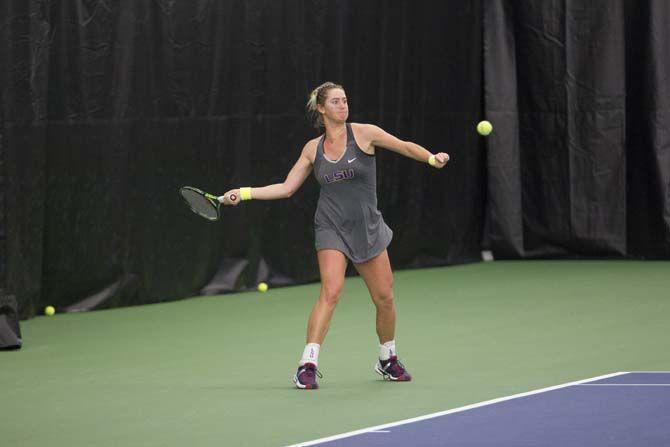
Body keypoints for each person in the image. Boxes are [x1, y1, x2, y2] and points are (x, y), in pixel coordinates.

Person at [221, 82, 449, 389]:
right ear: (322, 108)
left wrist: (432, 158)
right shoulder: (312, 149)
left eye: (345, 100)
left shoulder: (365, 133)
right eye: (336, 101)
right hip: (330, 227)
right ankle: (307, 365)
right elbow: (287, 187)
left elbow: (403, 145)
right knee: (331, 292)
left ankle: (388, 359)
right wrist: (245, 193)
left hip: (367, 228)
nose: (343, 105)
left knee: (384, 298)